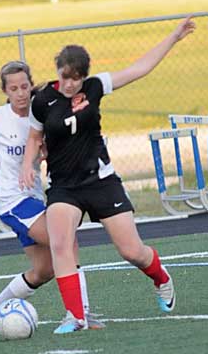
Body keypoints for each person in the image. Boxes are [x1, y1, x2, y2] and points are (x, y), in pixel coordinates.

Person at [19, 16, 196, 334]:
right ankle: (75, 316)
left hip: (101, 181)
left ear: (84, 76)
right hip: (63, 186)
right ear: (58, 71)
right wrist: (26, 166)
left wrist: (174, 37)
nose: (71, 83)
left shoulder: (96, 86)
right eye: (65, 77)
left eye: (76, 78)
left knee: (132, 251)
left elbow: (140, 68)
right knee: (60, 244)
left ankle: (161, 277)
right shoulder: (42, 100)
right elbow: (34, 138)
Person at [0, 60, 104, 329]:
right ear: (5, 91)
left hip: (36, 199)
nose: (21, 93)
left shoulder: (44, 111)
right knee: (65, 240)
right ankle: (80, 314)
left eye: (25, 86)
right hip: (12, 202)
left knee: (44, 270)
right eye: (13, 88)